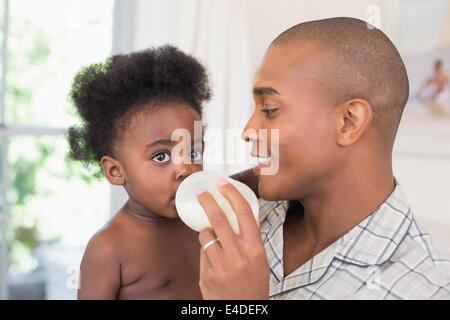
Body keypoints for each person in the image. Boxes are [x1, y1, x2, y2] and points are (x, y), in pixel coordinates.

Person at [195, 17, 450, 299]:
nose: (247, 131)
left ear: (349, 121)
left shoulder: (427, 290)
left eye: (269, 110)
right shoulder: (246, 215)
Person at [68, 45, 214, 299]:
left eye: (193, 153)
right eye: (161, 156)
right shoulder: (109, 248)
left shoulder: (200, 220)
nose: (185, 169)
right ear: (115, 171)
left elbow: (240, 184)